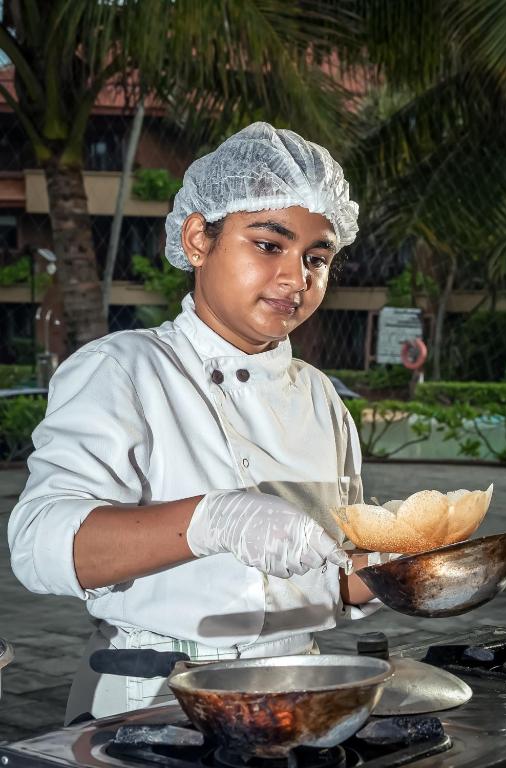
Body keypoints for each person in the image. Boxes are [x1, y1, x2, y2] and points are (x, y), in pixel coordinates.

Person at [8, 122, 381, 724]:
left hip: (299, 687)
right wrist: (210, 520)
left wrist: (398, 575)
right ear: (198, 239)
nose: (296, 277)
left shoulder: (319, 398)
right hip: (155, 697)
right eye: (268, 245)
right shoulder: (125, 369)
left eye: (318, 257)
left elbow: (321, 573)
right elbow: (38, 544)